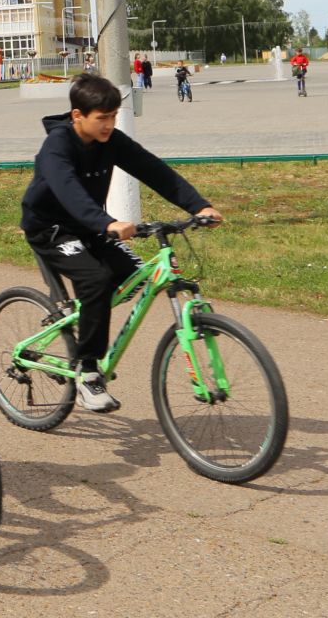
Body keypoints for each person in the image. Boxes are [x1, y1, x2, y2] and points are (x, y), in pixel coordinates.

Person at [21, 73, 222, 413]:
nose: (109, 124)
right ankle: (87, 371)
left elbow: (154, 170)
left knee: (134, 278)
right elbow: (68, 190)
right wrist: (107, 223)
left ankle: (84, 315)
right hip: (52, 230)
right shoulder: (57, 146)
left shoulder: (111, 141)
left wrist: (198, 205)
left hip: (90, 226)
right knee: (96, 281)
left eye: (113, 116)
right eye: (102, 118)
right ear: (77, 116)